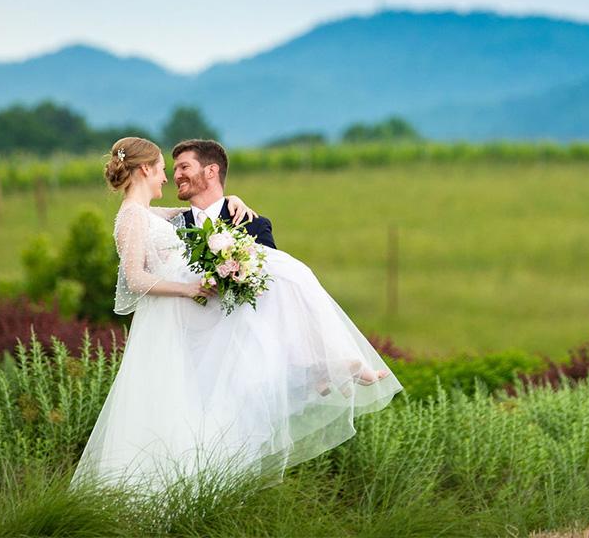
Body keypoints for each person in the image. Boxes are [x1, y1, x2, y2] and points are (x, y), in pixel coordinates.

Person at [71, 136, 401, 494]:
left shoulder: (147, 214)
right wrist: (190, 288)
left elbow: (167, 217)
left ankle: (322, 363)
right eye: (165, 169)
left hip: (202, 319)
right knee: (175, 410)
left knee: (287, 273)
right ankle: (324, 363)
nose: (168, 177)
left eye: (180, 168)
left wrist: (230, 200)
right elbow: (135, 278)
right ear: (146, 169)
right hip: (182, 317)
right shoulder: (134, 217)